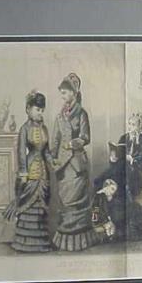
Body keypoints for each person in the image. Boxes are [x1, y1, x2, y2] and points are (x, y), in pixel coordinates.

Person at [50, 72, 101, 251]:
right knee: (65, 201)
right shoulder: (59, 116)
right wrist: (52, 158)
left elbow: (86, 137)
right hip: (63, 165)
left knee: (78, 201)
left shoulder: (82, 113)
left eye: (65, 92)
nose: (62, 96)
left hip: (77, 164)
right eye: (61, 93)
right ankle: (65, 241)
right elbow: (55, 140)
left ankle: (81, 241)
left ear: (74, 93)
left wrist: (72, 144)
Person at [2, 90, 53, 252]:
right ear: (28, 109)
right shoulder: (24, 129)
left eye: (42, 110)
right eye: (37, 109)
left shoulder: (45, 129)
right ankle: (25, 243)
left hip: (43, 172)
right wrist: (23, 173)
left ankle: (40, 243)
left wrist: (53, 161)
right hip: (30, 170)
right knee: (28, 205)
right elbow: (21, 153)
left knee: (41, 206)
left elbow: (47, 151)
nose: (40, 113)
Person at [118, 113, 142, 201]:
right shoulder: (123, 138)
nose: (130, 127)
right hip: (121, 172)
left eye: (133, 125)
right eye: (129, 124)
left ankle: (129, 204)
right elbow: (118, 155)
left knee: (127, 175)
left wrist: (133, 160)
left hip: (136, 177)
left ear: (139, 127)